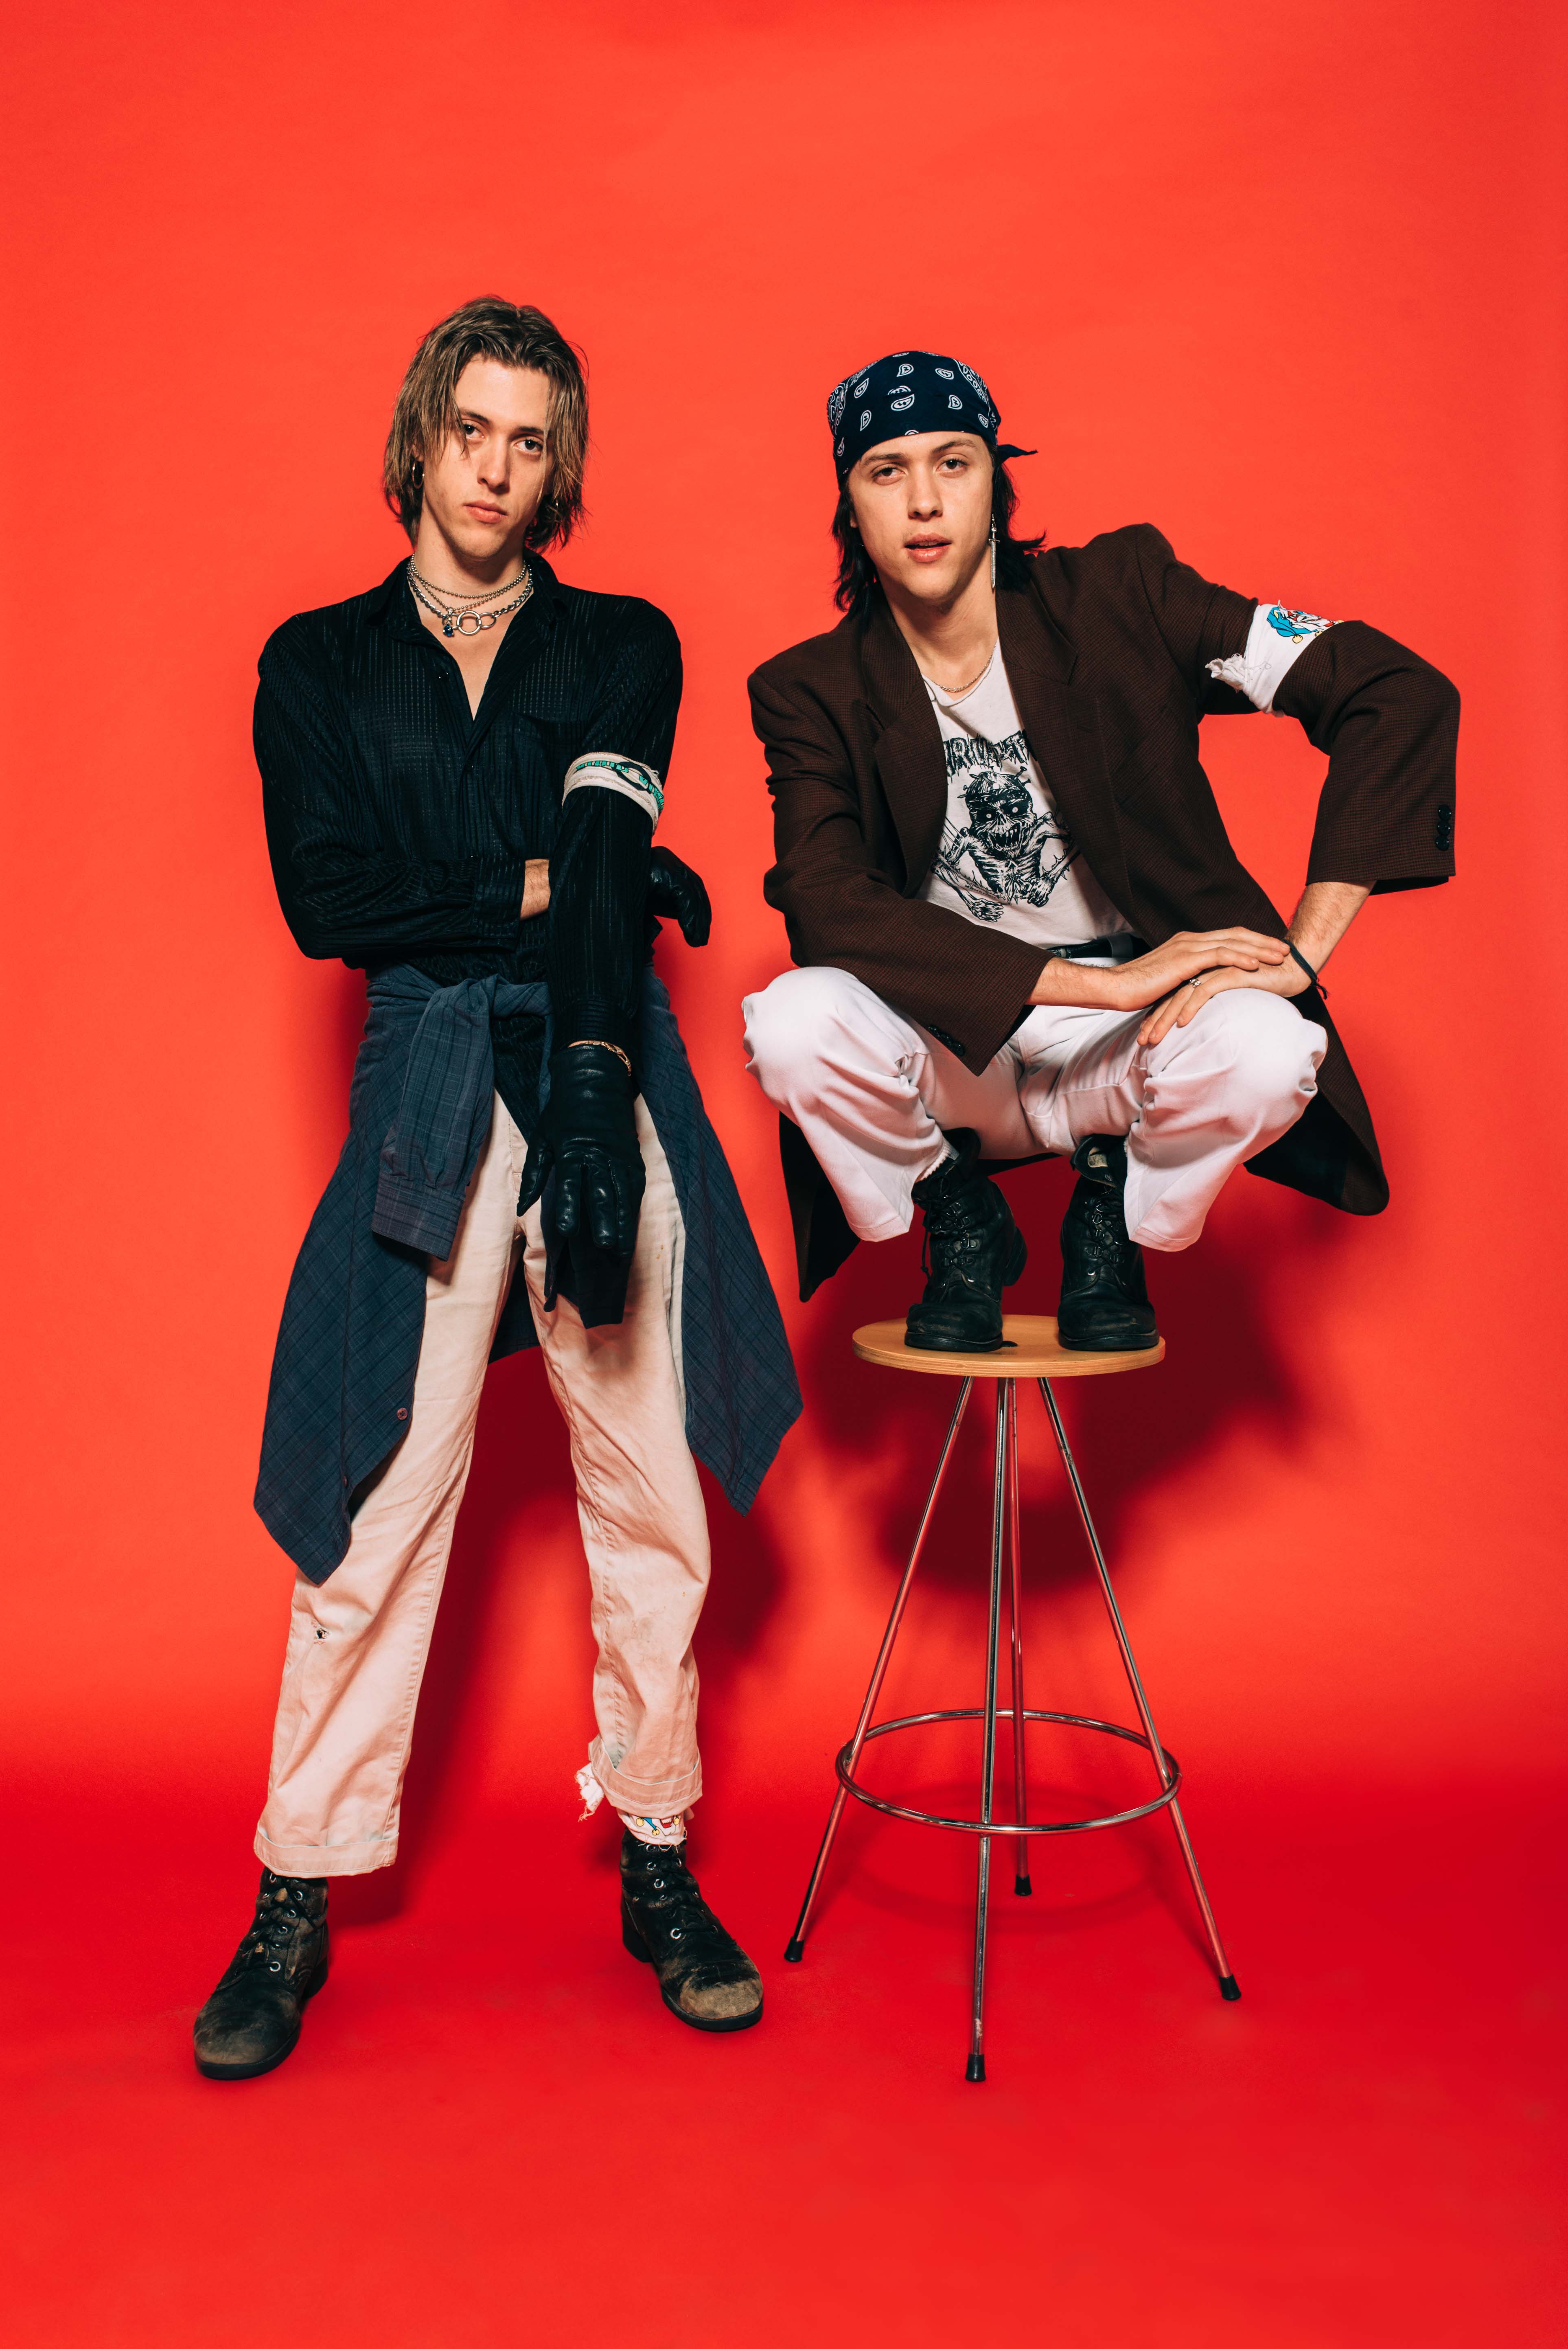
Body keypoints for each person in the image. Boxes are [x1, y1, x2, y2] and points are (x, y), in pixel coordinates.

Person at [193, 298, 799, 2080]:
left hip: (601, 1065)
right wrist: (561, 880)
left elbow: (601, 857)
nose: (497, 468)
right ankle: (298, 1885)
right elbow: (332, 906)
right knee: (378, 1492)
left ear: (559, 470)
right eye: (473, 430)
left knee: (655, 1492)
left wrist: (596, 1068)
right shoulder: (316, 664)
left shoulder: (621, 644)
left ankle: (660, 1853)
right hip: (429, 1084)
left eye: (531, 442)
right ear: (420, 440)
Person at [743, 350, 1458, 1348]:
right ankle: (956, 1209)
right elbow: (826, 906)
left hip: (1139, 1046)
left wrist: (1303, 949)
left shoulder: (1124, 600)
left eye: (953, 462)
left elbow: (1391, 690)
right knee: (789, 1021)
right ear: (850, 508)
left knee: (1272, 1046)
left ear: (996, 482)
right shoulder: (809, 690)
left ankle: (1120, 1211)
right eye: (887, 470)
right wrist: (1101, 986)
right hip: (960, 1044)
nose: (923, 502)